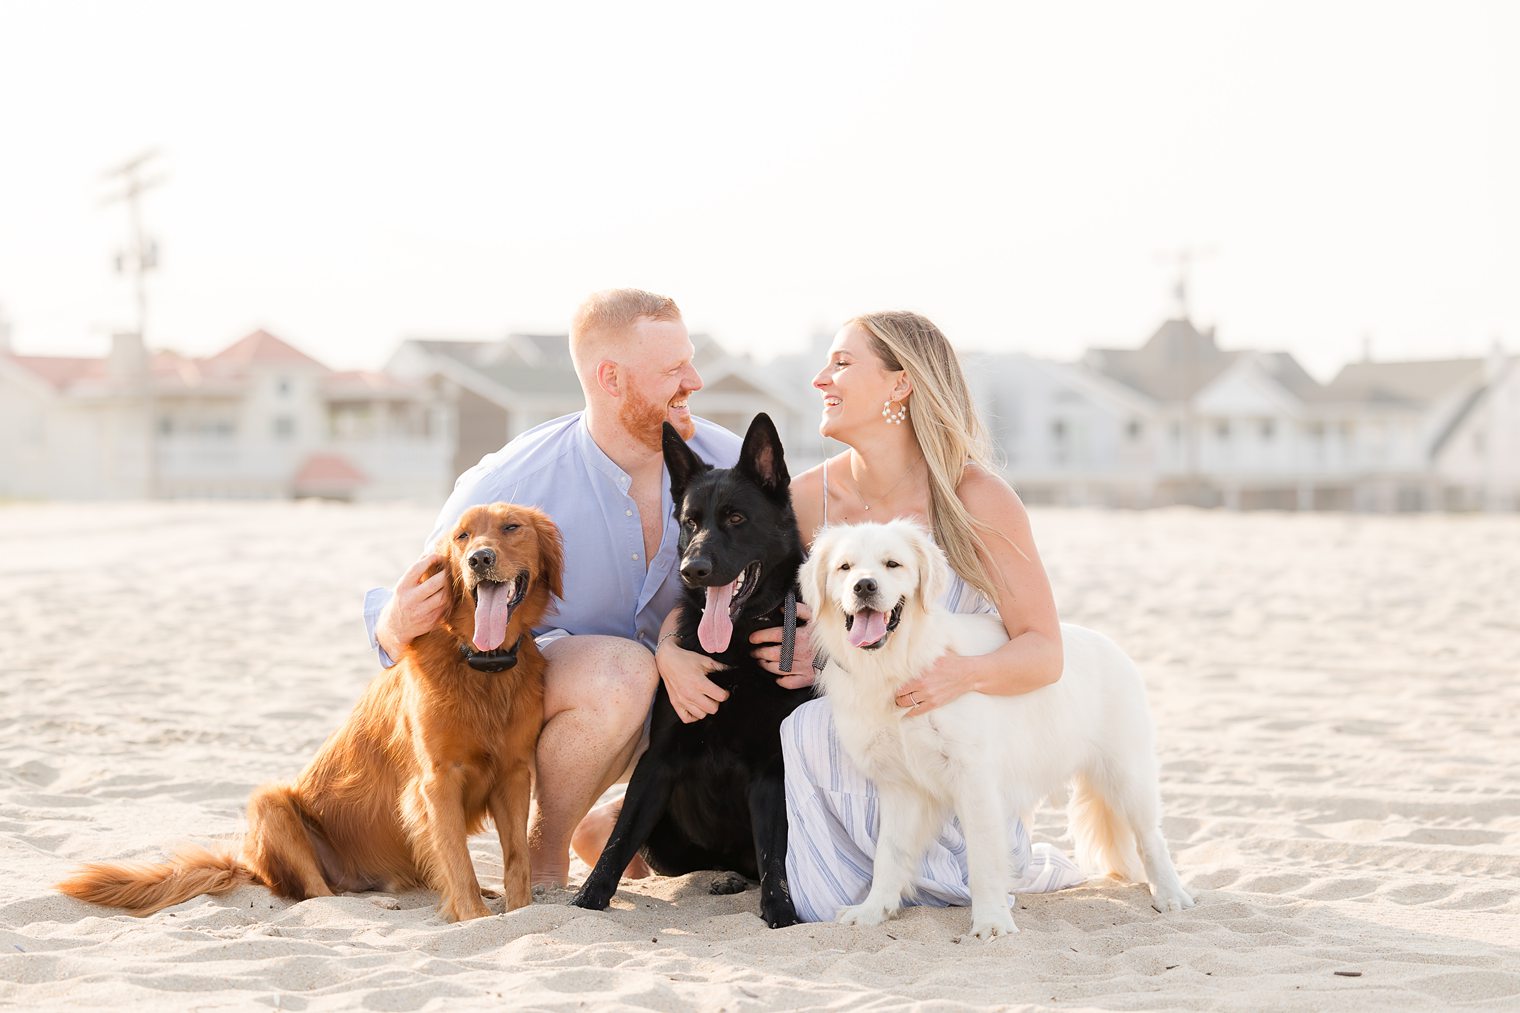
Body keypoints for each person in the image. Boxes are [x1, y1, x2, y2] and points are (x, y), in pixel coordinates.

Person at [363, 288, 742, 887]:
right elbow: (416, 600)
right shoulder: (513, 479)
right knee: (624, 672)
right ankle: (545, 857)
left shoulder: (731, 462)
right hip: (561, 704)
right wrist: (392, 623)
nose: (693, 379)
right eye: (673, 369)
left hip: (691, 700)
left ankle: (619, 826)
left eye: (689, 360)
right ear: (611, 378)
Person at [768, 310, 1086, 921]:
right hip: (860, 736)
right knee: (808, 732)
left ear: (899, 383)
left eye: (841, 363)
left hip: (953, 740)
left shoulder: (977, 499)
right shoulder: (809, 501)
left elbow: (1045, 652)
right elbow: (778, 615)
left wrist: (959, 675)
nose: (819, 380)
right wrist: (789, 650)